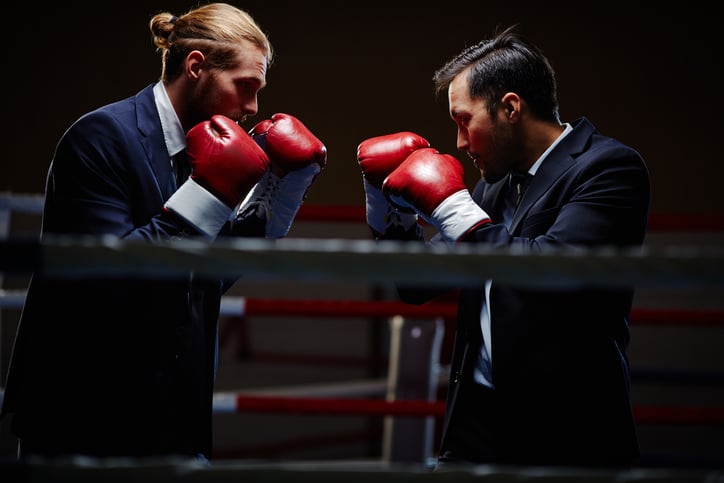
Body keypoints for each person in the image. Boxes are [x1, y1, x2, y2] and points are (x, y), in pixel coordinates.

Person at [1, 3, 327, 462]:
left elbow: (201, 279)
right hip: (83, 416)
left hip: (175, 417)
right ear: (196, 67)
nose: (253, 107)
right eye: (244, 86)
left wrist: (271, 206)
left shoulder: (205, 149)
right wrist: (211, 192)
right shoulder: (101, 138)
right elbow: (104, 279)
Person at [357, 24, 650, 468]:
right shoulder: (497, 187)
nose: (458, 142)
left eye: (464, 120)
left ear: (510, 107)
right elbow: (414, 283)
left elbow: (552, 273)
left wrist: (452, 206)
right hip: (476, 431)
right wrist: (389, 214)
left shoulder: (608, 169)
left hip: (567, 438)